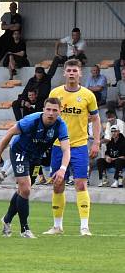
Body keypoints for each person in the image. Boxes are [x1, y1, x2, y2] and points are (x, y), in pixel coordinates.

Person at [0, 98, 70, 238]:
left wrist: (63, 169)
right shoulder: (31, 120)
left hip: (36, 157)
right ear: (43, 109)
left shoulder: (60, 125)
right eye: (48, 109)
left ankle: (6, 220)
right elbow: (10, 133)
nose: (51, 113)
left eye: (54, 110)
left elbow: (66, 150)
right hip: (19, 152)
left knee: (23, 191)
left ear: (60, 112)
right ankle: (25, 229)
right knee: (26, 188)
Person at [44, 59, 101, 237]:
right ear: (64, 73)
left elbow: (96, 119)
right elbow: (47, 116)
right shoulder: (55, 93)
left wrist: (97, 141)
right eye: (68, 70)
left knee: (80, 184)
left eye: (75, 70)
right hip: (58, 147)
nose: (71, 73)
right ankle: (57, 226)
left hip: (79, 146)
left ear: (80, 73)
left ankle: (84, 227)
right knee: (57, 185)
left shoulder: (88, 95)